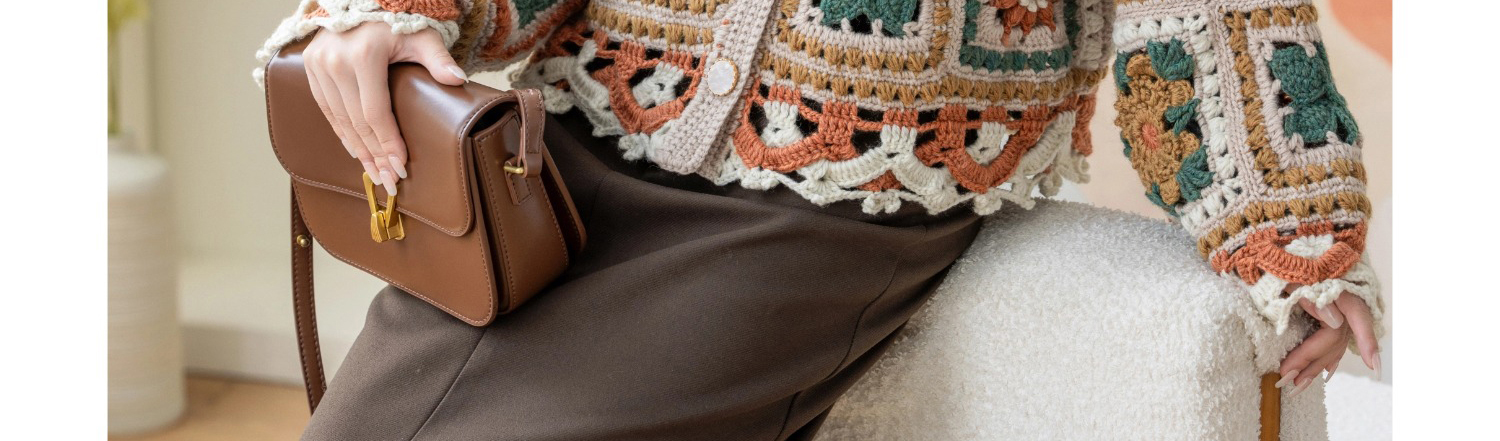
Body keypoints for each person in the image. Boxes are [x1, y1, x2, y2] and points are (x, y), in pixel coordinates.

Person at [255, 0, 1384, 438]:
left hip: (832, 202)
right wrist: (393, 11)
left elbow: (1208, 10)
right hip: (560, 153)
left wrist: (1293, 227)